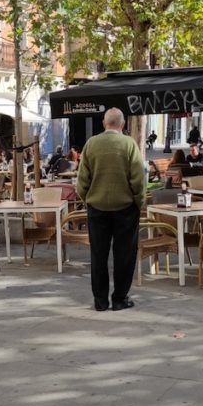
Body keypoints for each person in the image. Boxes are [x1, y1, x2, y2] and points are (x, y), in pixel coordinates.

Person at [77, 108, 145, 312]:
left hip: (97, 208)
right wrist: (138, 202)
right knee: (124, 255)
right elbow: (138, 180)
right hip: (125, 209)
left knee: (98, 255)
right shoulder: (129, 144)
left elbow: (81, 182)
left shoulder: (91, 144)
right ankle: (119, 299)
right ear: (122, 125)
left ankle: (100, 301)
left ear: (103, 123)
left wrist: (87, 199)